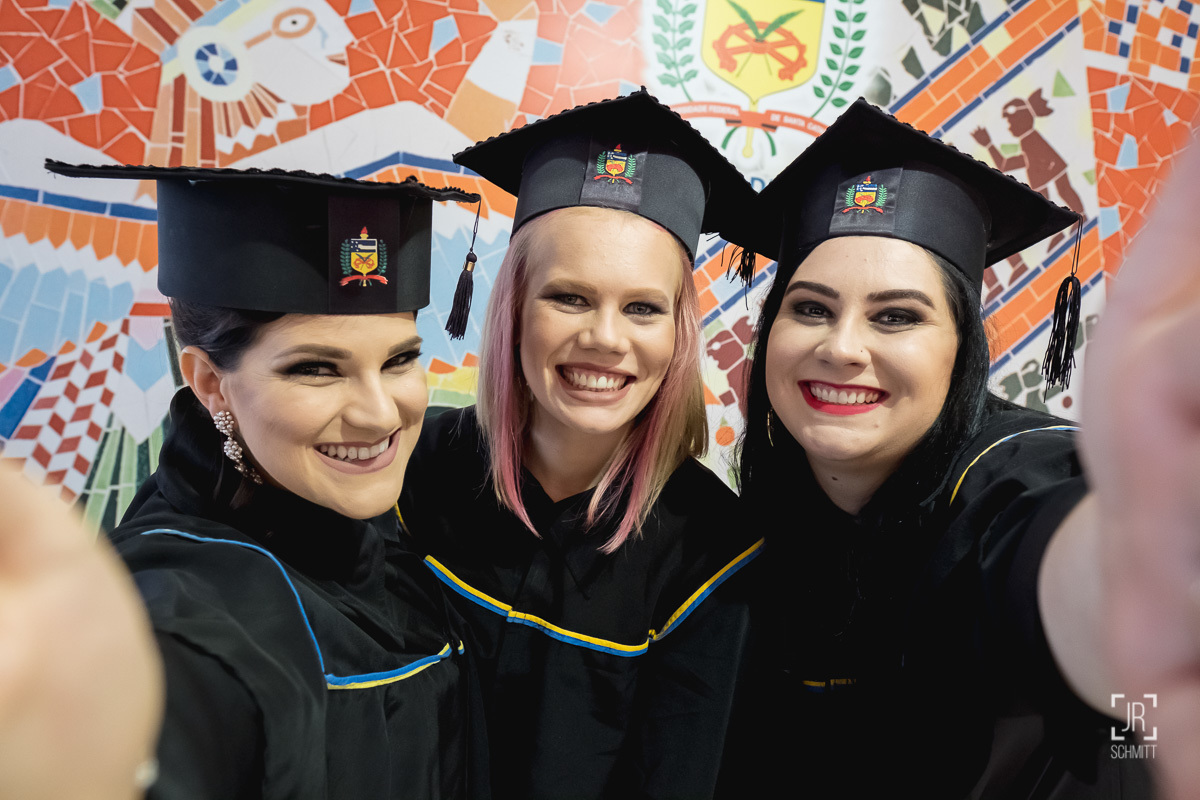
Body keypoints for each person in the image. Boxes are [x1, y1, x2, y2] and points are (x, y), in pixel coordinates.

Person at [717, 100, 1155, 797]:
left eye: (896, 316)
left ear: (961, 349)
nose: (841, 347)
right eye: (811, 308)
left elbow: (1066, 547)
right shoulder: (769, 523)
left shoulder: (1014, 481)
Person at [40, 161, 489, 799]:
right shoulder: (182, 609)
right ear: (209, 382)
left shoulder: (387, 507)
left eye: (400, 360)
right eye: (315, 369)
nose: (380, 415)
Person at [396, 90, 763, 799]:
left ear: (677, 333)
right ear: (515, 306)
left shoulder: (712, 555)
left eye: (643, 308)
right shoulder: (419, 468)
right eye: (569, 297)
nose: (605, 338)